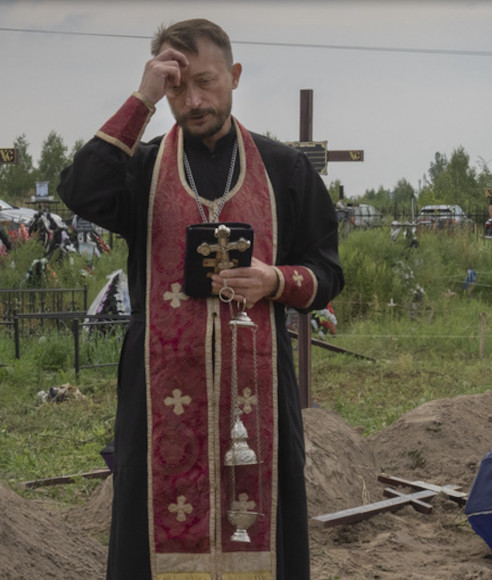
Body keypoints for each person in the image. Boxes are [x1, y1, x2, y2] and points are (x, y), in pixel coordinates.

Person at [57, 19, 344, 580]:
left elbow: (328, 271)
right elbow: (81, 190)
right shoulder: (140, 170)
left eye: (206, 82)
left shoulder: (284, 169)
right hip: (158, 392)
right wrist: (140, 99)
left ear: (235, 76)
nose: (193, 100)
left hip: (258, 393)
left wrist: (276, 281)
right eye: (176, 88)